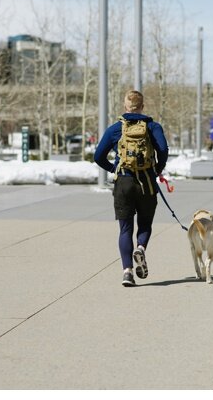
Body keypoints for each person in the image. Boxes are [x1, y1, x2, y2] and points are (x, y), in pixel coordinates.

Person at [93, 90, 169, 287]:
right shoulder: (153, 127)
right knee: (144, 224)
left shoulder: (115, 129)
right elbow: (163, 150)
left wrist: (114, 168)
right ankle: (141, 248)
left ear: (125, 107)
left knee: (125, 228)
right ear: (142, 107)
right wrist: (156, 170)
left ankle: (127, 272)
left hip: (124, 182)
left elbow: (98, 156)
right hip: (147, 182)